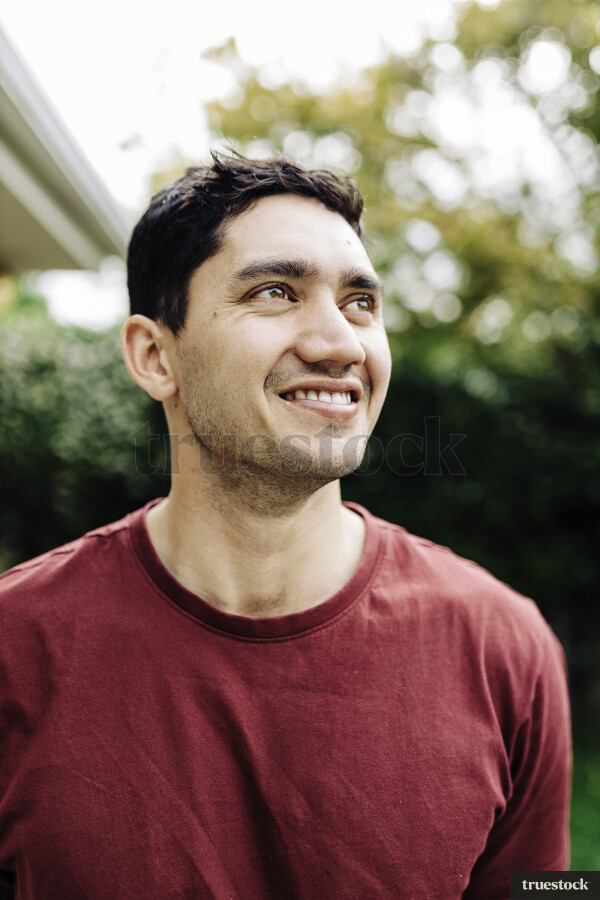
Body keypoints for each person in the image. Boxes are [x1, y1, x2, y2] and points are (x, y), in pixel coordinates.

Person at [0, 152, 571, 899]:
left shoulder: (505, 646)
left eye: (361, 302)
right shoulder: (16, 648)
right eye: (276, 292)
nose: (339, 344)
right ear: (153, 355)